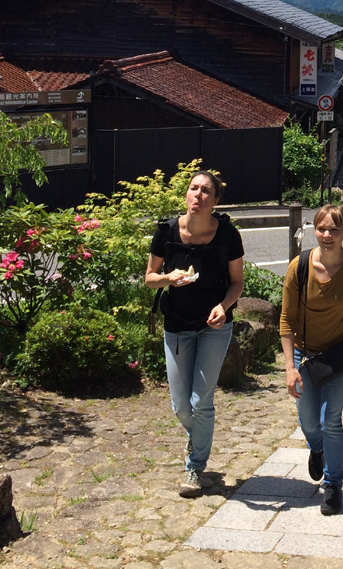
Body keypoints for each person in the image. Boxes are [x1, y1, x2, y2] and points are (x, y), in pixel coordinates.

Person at [145, 171, 245, 497]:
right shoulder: (167, 232)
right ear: (186, 195)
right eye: (193, 189)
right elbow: (149, 277)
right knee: (181, 407)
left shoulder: (228, 235)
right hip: (177, 324)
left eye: (206, 191)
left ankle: (194, 468)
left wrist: (224, 306)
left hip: (214, 326)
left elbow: (237, 282)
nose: (198, 195)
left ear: (216, 201)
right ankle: (197, 435)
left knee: (201, 401)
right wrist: (168, 278)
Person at [280, 205, 343, 516]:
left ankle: (333, 485)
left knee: (330, 419)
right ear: (315, 230)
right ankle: (317, 448)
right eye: (322, 229)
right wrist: (289, 367)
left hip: (341, 352)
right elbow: (286, 320)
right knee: (309, 420)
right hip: (304, 353)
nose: (327, 235)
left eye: (333, 230)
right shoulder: (299, 268)